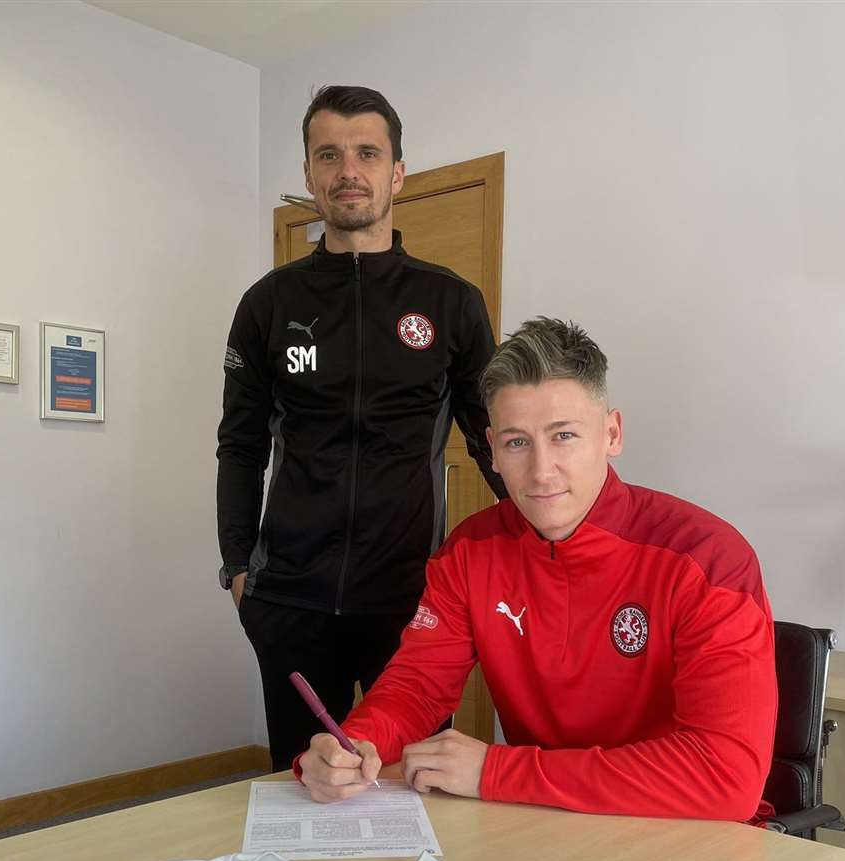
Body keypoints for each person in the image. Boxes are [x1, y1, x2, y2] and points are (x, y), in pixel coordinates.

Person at [297, 317, 778, 820]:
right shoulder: (471, 550)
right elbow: (417, 686)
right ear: (493, 451)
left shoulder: (708, 558)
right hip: (544, 823)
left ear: (611, 434)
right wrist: (358, 742)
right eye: (517, 443)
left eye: (564, 436)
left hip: (687, 836)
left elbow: (725, 778)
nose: (541, 471)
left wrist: (495, 772)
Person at [217, 85, 504, 771]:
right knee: (303, 779)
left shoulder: (451, 302)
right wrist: (236, 566)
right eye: (330, 155)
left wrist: (545, 549)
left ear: (396, 172)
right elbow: (241, 442)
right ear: (311, 175)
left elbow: (496, 441)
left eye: (367, 153)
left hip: (407, 600)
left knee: (412, 783)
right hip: (288, 599)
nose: (349, 170)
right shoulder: (268, 304)